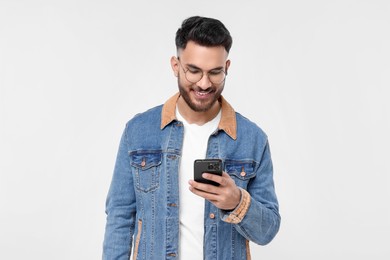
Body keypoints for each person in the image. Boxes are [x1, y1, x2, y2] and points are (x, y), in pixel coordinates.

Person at [103, 16, 280, 260]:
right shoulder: (139, 131)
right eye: (194, 71)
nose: (204, 84)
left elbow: (268, 230)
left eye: (215, 72)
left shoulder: (252, 139)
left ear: (227, 67)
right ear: (176, 66)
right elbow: (119, 217)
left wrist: (237, 201)